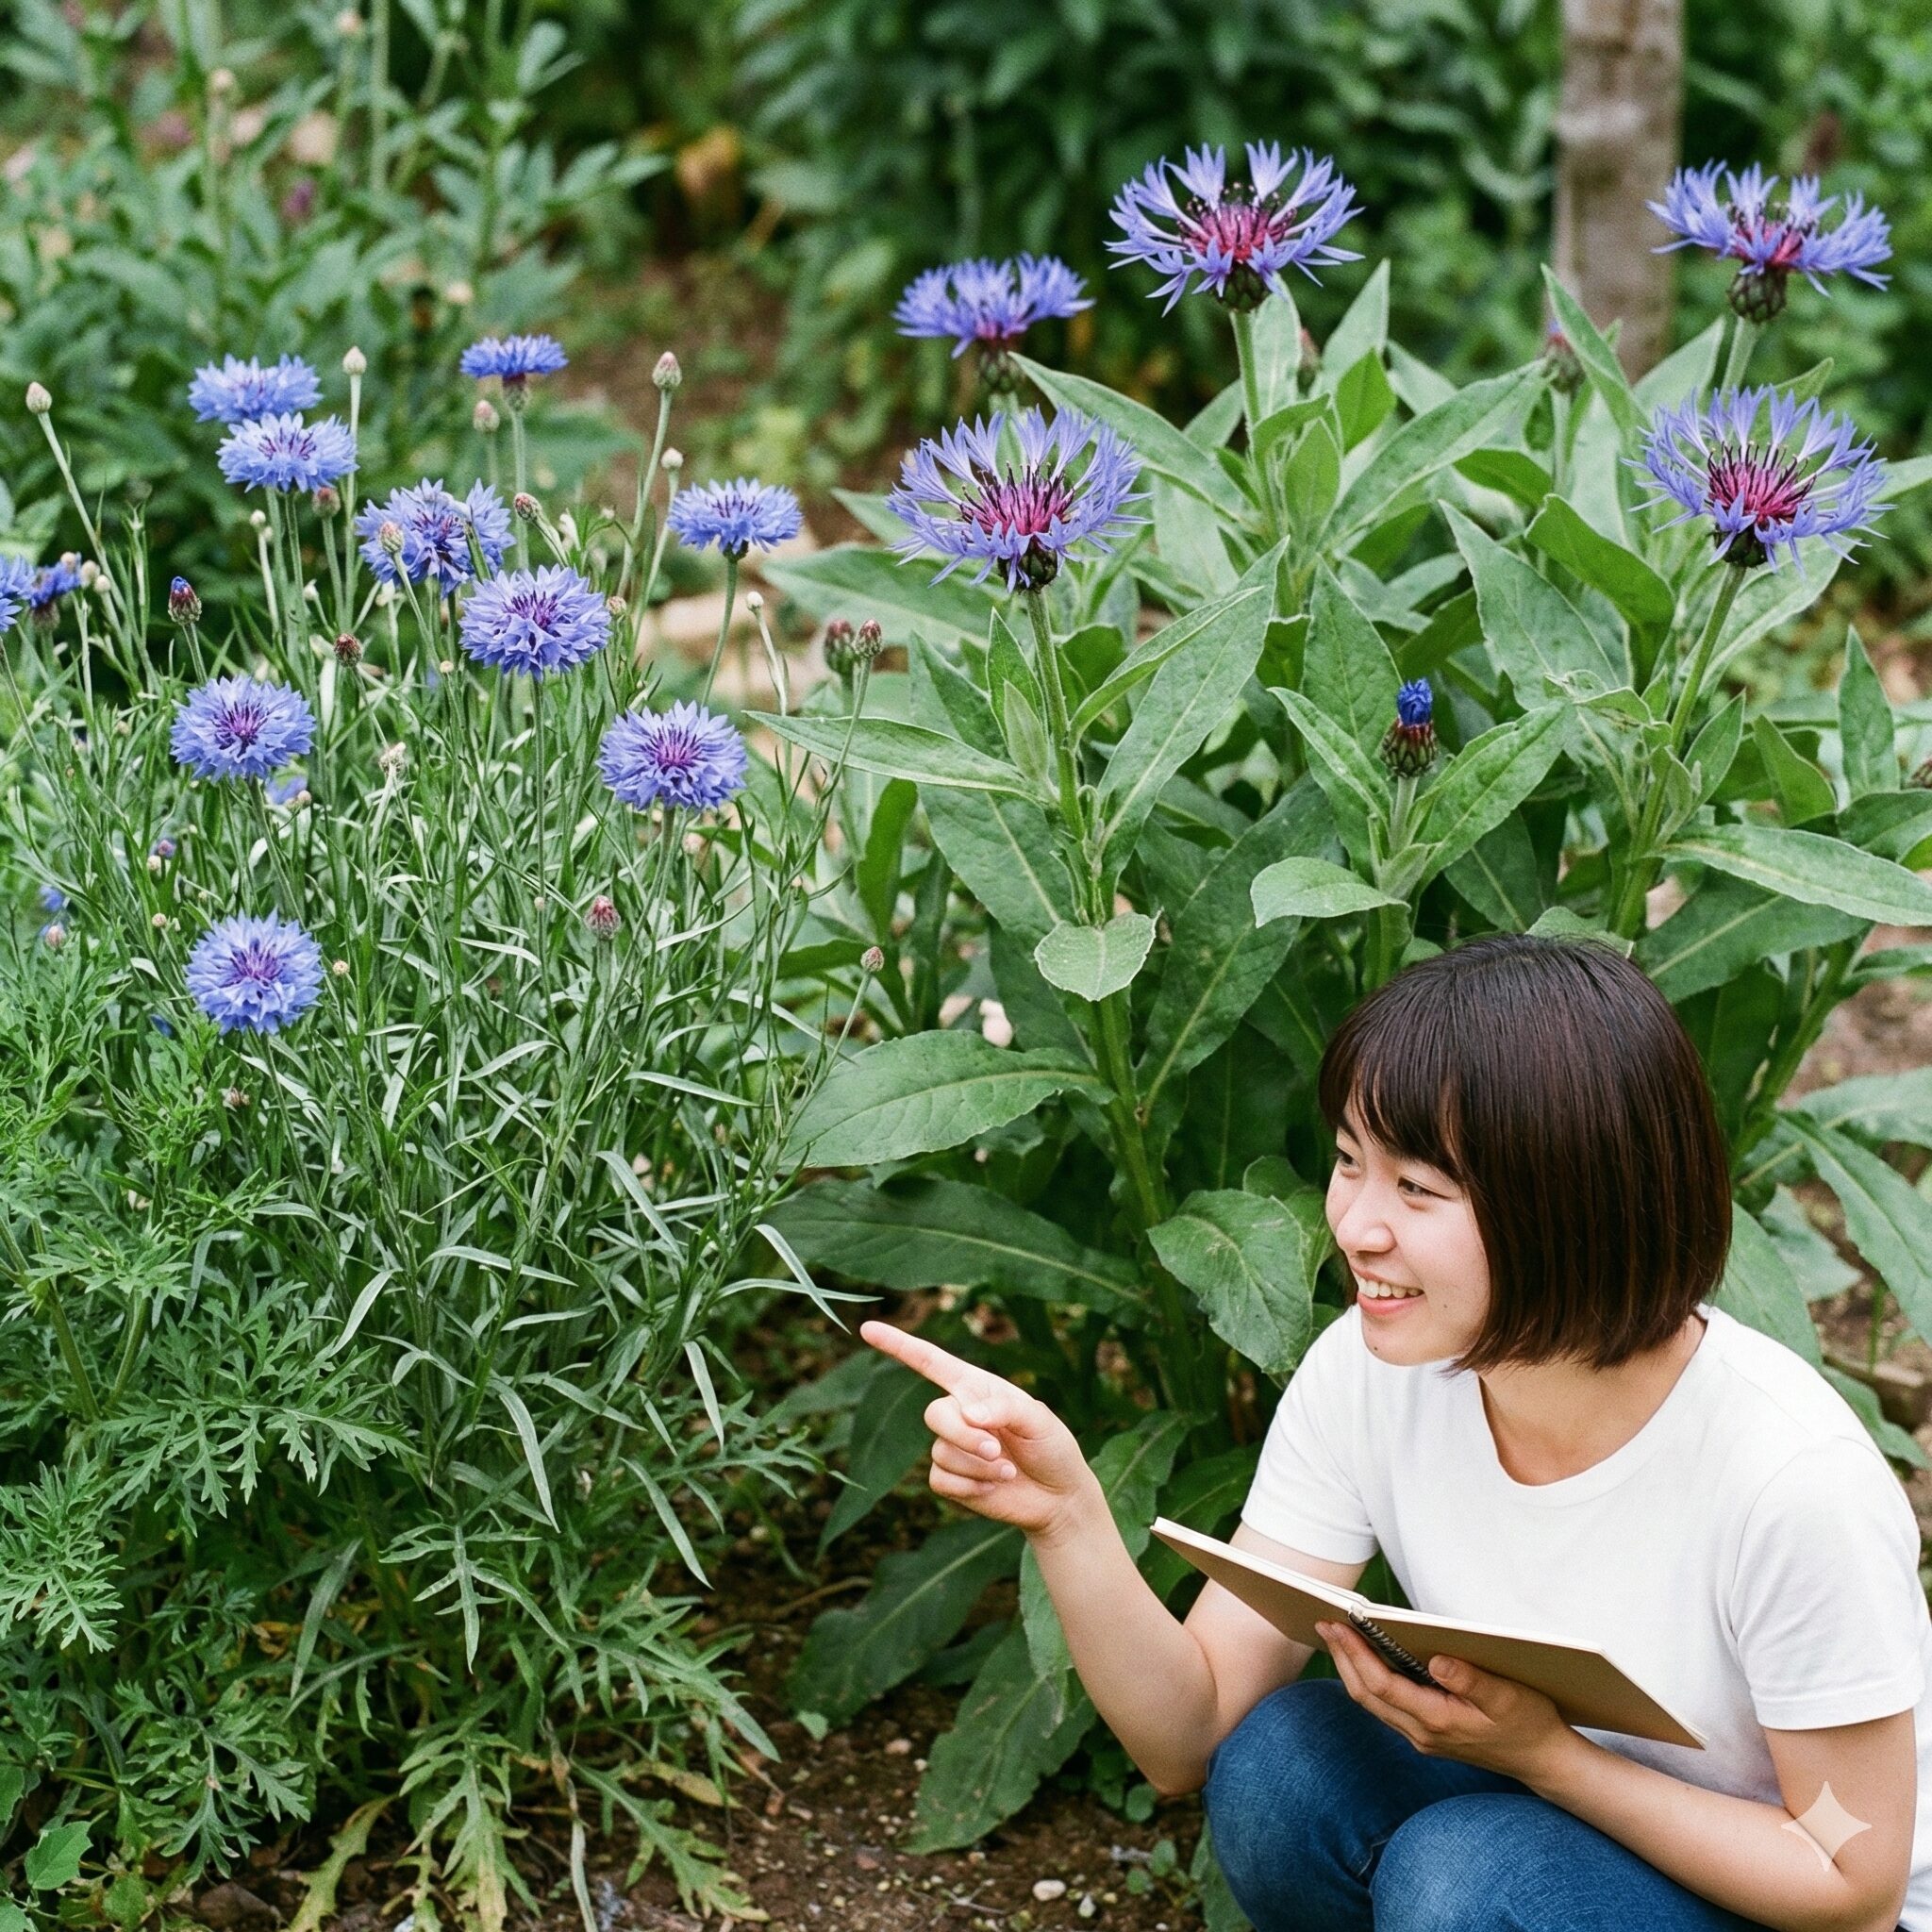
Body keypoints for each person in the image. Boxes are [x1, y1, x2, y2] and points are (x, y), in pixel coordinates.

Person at [861, 934, 1929, 1932]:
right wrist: (1067, 1517)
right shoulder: (1376, 1372)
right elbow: (1188, 1734)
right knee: (1283, 1761)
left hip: (1786, 1895)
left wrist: (1549, 1758)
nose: (1355, 1224)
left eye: (1417, 1187)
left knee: (1467, 1879)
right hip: (1575, 1824)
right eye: (1346, 1159)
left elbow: (1851, 1883)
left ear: (1573, 1201)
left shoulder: (1787, 1480)